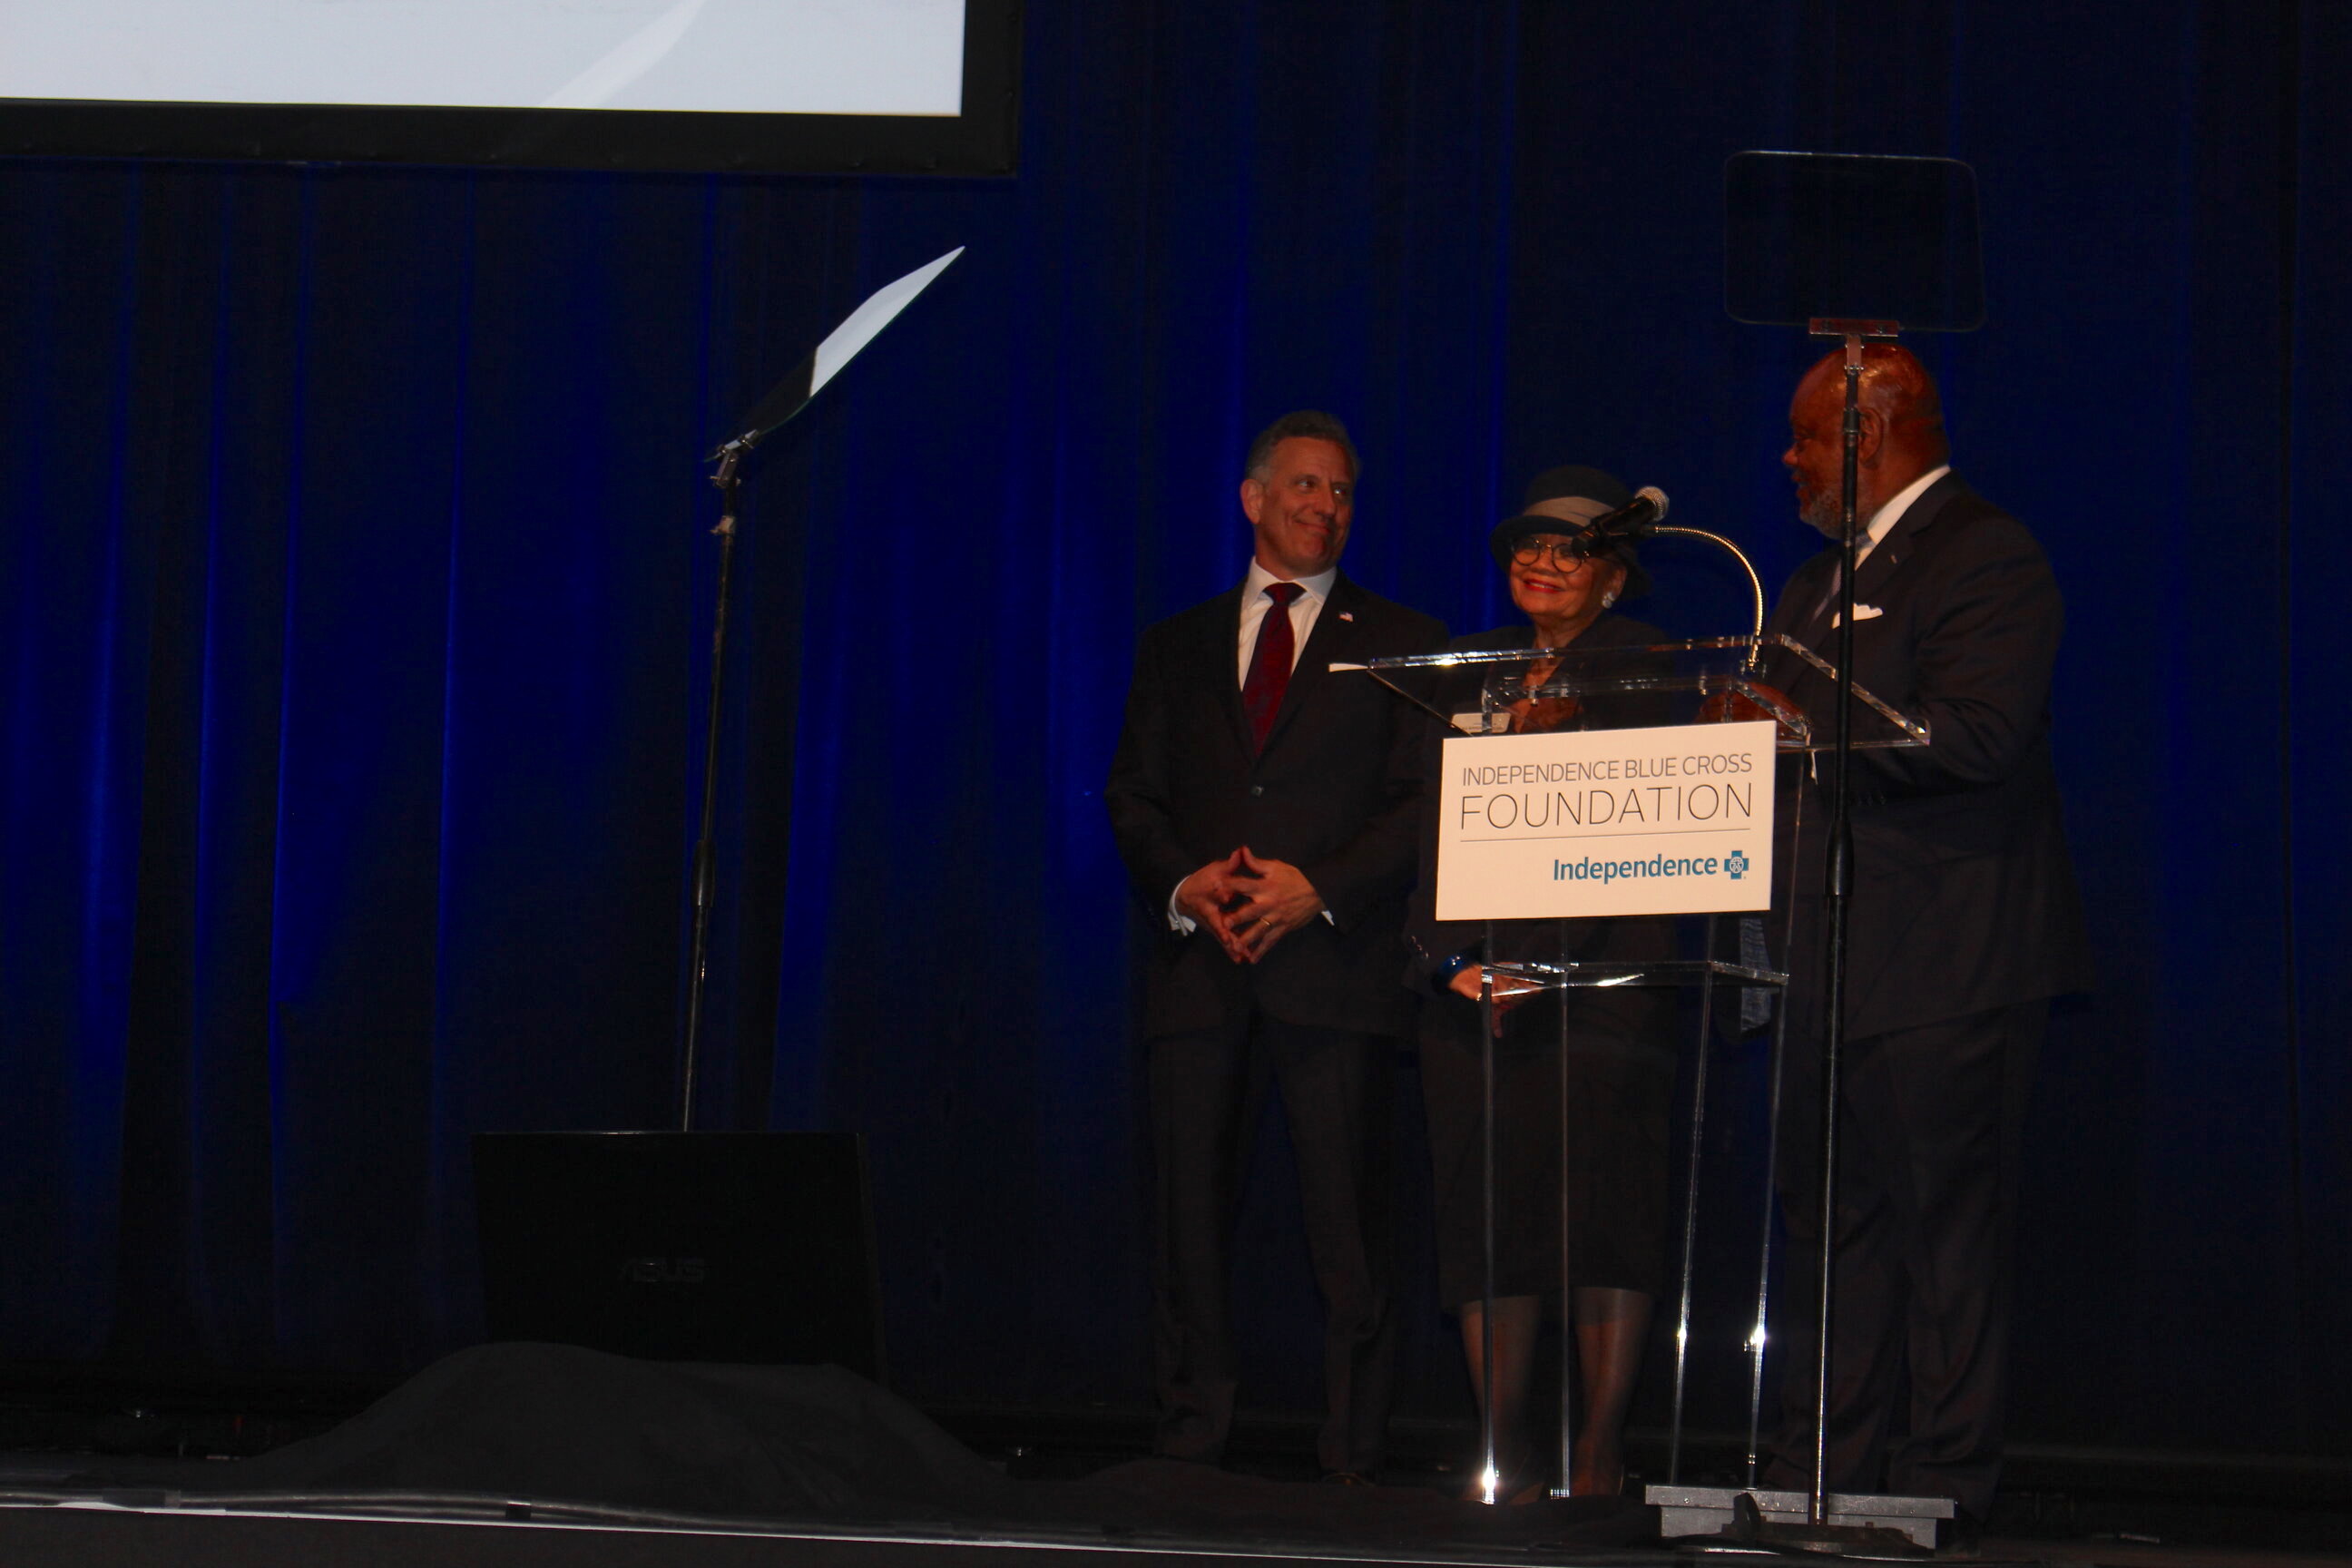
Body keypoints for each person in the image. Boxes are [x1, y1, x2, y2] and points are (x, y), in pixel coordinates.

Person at [1758, 345, 2089, 1530]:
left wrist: (1800, 729)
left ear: (1870, 430)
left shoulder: (1986, 554)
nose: (1787, 460)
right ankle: (1820, 1486)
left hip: (1950, 958)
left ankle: (1941, 1492)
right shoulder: (1805, 587)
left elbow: (1981, 735)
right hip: (1828, 958)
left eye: (1804, 437)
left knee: (1946, 1240)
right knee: (1833, 1232)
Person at [1104, 410, 1446, 1481]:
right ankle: (1190, 1438)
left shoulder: (1399, 642)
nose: (1324, 506)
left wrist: (1322, 889)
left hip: (1334, 975)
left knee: (1350, 1234)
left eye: (1340, 491)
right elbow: (1133, 794)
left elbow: (1419, 801)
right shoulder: (1177, 643)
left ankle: (1353, 1453)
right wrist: (1182, 881)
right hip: (1202, 972)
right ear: (1253, 499)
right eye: (1303, 486)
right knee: (1188, 1225)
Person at [1403, 466, 1680, 1502]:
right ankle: (1505, 1456)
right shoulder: (1464, 675)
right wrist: (1447, 961)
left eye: (1567, 548)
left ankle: (1599, 1453)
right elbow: (1422, 834)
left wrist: (1568, 968)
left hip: (1604, 992)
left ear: (1613, 575)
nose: (1539, 560)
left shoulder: (1655, 670)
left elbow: (1667, 836)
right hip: (1477, 992)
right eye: (1526, 543)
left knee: (1607, 1215)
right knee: (1491, 1226)